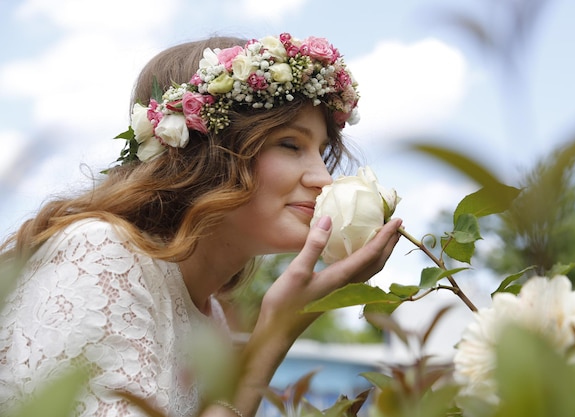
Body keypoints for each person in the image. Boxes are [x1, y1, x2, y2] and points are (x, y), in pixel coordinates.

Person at [0, 33, 402, 417]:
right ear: (207, 155)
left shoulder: (212, 319)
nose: (323, 179)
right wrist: (274, 334)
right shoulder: (102, 255)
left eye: (321, 152)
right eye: (291, 145)